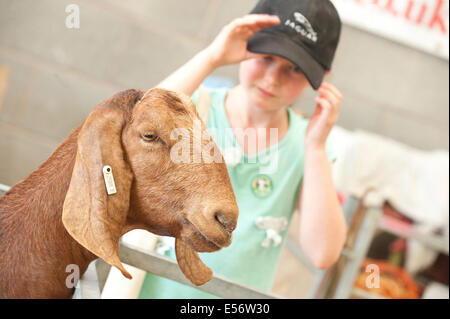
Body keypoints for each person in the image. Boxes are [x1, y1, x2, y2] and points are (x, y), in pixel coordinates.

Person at [139, 0, 347, 298]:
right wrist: (212, 57)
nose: (272, 78)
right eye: (266, 57)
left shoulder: (308, 145)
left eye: (295, 69)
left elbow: (323, 253)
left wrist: (316, 148)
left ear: (320, 79)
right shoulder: (194, 107)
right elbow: (136, 124)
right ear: (244, 42)